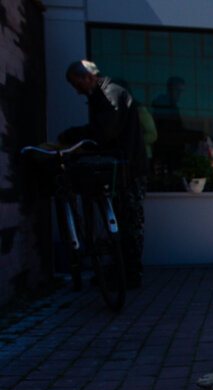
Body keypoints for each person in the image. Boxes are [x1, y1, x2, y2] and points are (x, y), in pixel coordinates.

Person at [58, 59, 148, 289]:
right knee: (121, 219)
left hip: (127, 168)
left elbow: (105, 131)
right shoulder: (103, 96)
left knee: (127, 220)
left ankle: (129, 272)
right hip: (120, 167)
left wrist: (74, 136)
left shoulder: (110, 95)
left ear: (88, 77)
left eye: (77, 84)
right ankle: (120, 270)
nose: (78, 91)